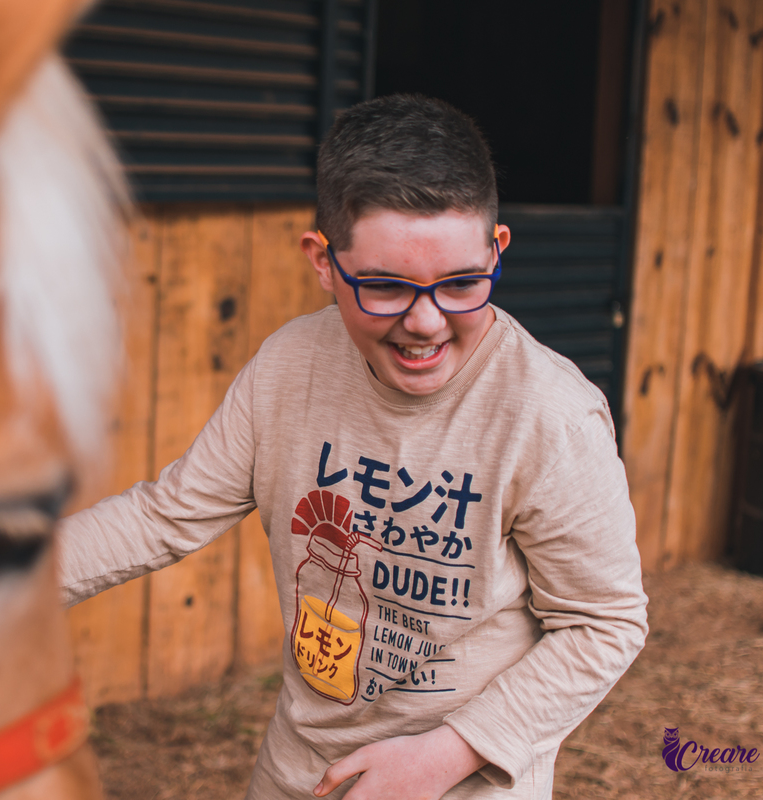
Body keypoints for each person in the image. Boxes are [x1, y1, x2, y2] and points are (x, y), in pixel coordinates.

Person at [57, 94, 648, 799]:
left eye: (462, 283)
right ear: (323, 261)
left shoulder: (550, 417)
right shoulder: (288, 369)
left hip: (460, 781)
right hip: (300, 771)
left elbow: (605, 623)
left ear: (498, 252)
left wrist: (448, 753)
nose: (426, 322)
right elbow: (164, 515)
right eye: (387, 287)